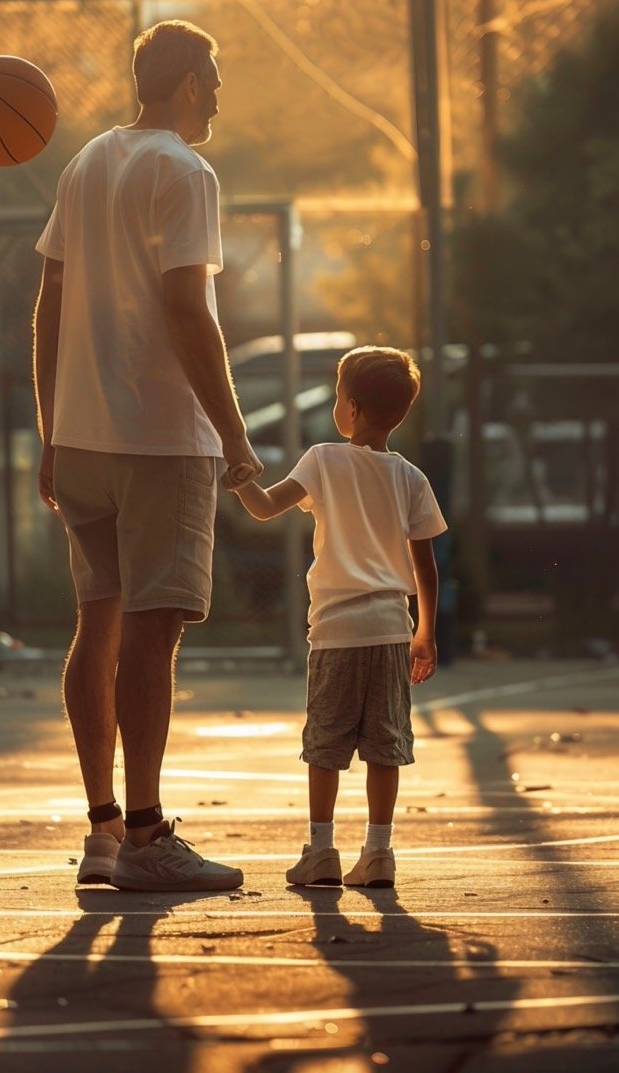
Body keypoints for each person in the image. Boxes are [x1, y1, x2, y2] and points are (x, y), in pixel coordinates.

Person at [33, 19, 262, 892]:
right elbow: (187, 312)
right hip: (157, 438)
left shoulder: (88, 160)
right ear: (193, 83)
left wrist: (52, 429)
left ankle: (100, 831)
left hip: (84, 436)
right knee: (152, 638)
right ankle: (144, 835)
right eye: (216, 77)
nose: (219, 95)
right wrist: (235, 439)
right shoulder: (185, 170)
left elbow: (48, 299)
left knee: (99, 624)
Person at [224, 345, 447, 888]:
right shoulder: (411, 478)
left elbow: (263, 507)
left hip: (336, 631)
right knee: (384, 746)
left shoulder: (323, 459)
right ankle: (379, 853)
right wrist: (425, 633)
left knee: (325, 744)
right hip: (393, 629)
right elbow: (427, 568)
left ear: (348, 406)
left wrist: (238, 477)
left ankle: (321, 851)